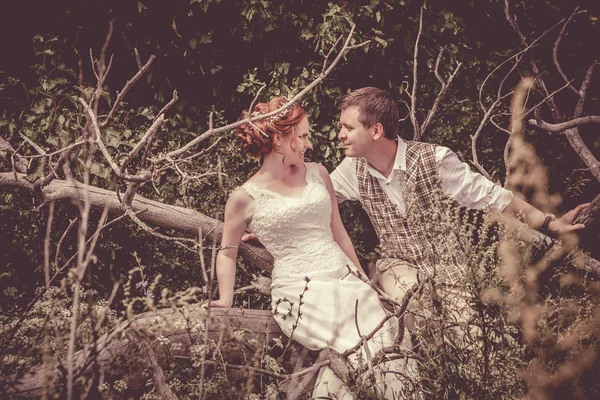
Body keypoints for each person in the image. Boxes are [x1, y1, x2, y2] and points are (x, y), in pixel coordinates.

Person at [329, 86, 588, 332]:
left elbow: (493, 197)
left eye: (348, 128)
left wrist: (549, 223)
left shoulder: (435, 159)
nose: (340, 134)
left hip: (447, 265)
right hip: (399, 264)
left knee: (471, 341)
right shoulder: (352, 170)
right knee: (415, 307)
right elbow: (317, 201)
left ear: (375, 130)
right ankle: (422, 367)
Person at [209, 97, 415, 399]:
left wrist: (361, 278)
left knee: (387, 333)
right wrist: (224, 298)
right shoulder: (243, 198)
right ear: (279, 139)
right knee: (350, 343)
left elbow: (340, 233)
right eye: (303, 136)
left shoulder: (318, 173)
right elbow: (227, 252)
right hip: (300, 289)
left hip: (343, 277)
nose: (308, 144)